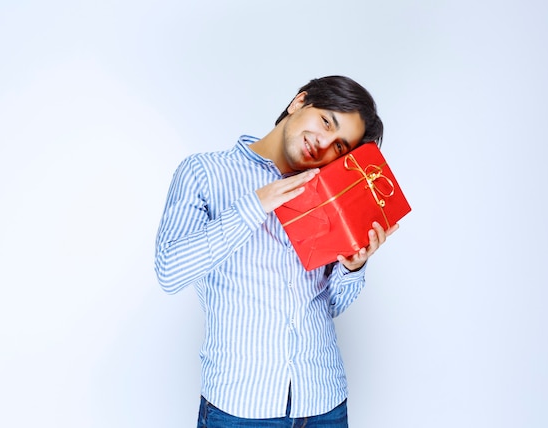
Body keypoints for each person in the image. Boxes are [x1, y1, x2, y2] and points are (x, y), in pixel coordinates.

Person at [154, 75, 398, 427]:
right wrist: (255, 205)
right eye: (326, 121)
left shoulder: (329, 195)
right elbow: (169, 271)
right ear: (299, 102)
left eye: (341, 147)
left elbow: (327, 306)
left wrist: (354, 268)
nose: (324, 143)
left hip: (324, 403)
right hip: (240, 409)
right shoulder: (203, 172)